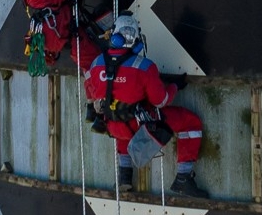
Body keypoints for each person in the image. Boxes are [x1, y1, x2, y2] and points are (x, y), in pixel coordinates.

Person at [84, 14, 206, 198]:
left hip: (112, 126)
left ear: (114, 36)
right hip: (139, 128)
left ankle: (124, 176)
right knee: (191, 122)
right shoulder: (145, 67)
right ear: (137, 40)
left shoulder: (95, 64)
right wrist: (174, 87)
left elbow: (92, 94)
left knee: (120, 116)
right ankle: (183, 177)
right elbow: (161, 101)